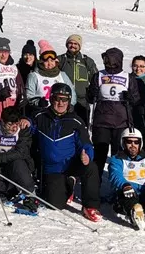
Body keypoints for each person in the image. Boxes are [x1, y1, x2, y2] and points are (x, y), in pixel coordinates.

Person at [29, 82, 101, 222]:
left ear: (69, 101)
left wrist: (87, 154)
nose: (61, 103)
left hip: (71, 164)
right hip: (52, 169)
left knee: (91, 167)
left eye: (65, 99)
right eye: (57, 99)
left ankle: (90, 206)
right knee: (55, 204)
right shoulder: (40, 116)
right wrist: (25, 122)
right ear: (51, 99)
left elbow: (86, 144)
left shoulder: (76, 121)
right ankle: (69, 184)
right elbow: (29, 125)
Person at [85, 47, 139, 179]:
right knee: (99, 156)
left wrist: (129, 97)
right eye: (107, 60)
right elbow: (89, 98)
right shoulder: (99, 75)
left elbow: (136, 99)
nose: (108, 63)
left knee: (119, 156)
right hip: (101, 122)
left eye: (111, 61)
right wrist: (93, 93)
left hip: (121, 122)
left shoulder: (127, 77)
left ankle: (118, 186)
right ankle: (95, 186)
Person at [0, 106, 35, 199]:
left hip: (17, 163)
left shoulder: (22, 129)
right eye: (9, 124)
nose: (13, 128)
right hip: (0, 164)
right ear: (2, 121)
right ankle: (7, 191)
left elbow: (21, 152)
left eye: (16, 124)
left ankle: (27, 192)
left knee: (19, 167)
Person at [24, 40, 75, 115]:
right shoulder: (34, 76)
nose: (49, 63)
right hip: (42, 113)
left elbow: (72, 93)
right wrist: (38, 102)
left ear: (56, 61)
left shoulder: (62, 75)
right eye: (46, 61)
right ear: (41, 61)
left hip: (61, 112)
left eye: (52, 60)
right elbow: (29, 95)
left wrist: (70, 105)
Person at [58, 34, 97, 124]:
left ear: (79, 46)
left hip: (82, 102)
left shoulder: (87, 61)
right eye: (70, 43)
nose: (73, 45)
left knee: (82, 126)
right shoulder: (60, 60)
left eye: (76, 44)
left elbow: (95, 79)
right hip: (64, 100)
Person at [129, 56, 145, 142]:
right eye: (135, 66)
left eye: (142, 66)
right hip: (128, 117)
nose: (138, 69)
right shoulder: (126, 79)